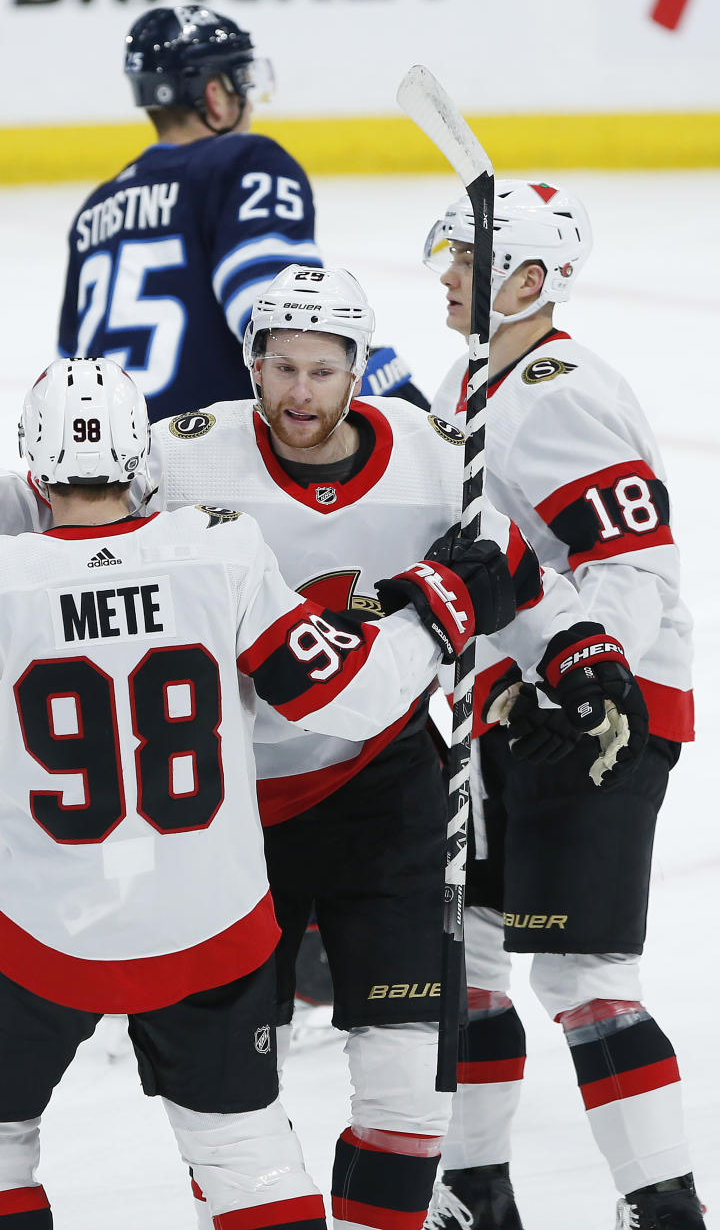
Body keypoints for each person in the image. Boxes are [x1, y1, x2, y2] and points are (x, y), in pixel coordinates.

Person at [0, 269, 649, 1230]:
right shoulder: (194, 468)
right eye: (279, 368)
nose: (298, 393)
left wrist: (577, 646)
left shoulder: (433, 455)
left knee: (406, 1084)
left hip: (373, 785)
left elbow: (506, 562)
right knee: (239, 1122)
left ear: (358, 370)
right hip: (239, 812)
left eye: (321, 370)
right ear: (251, 367)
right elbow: (46, 508)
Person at [423, 181, 701, 1229]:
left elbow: (635, 563)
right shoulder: (470, 378)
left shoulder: (556, 387)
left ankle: (665, 1209)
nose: (447, 274)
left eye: (467, 258)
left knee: (585, 975)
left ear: (530, 280)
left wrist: (593, 681)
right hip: (512, 709)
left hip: (593, 713)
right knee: (476, 954)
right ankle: (476, 1194)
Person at [56, 3, 426, 420]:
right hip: (211, 460)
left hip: (115, 469)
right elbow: (291, 324)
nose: (248, 100)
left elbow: (69, 368)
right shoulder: (245, 162)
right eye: (241, 81)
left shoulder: (95, 210)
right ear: (215, 95)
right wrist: (407, 404)